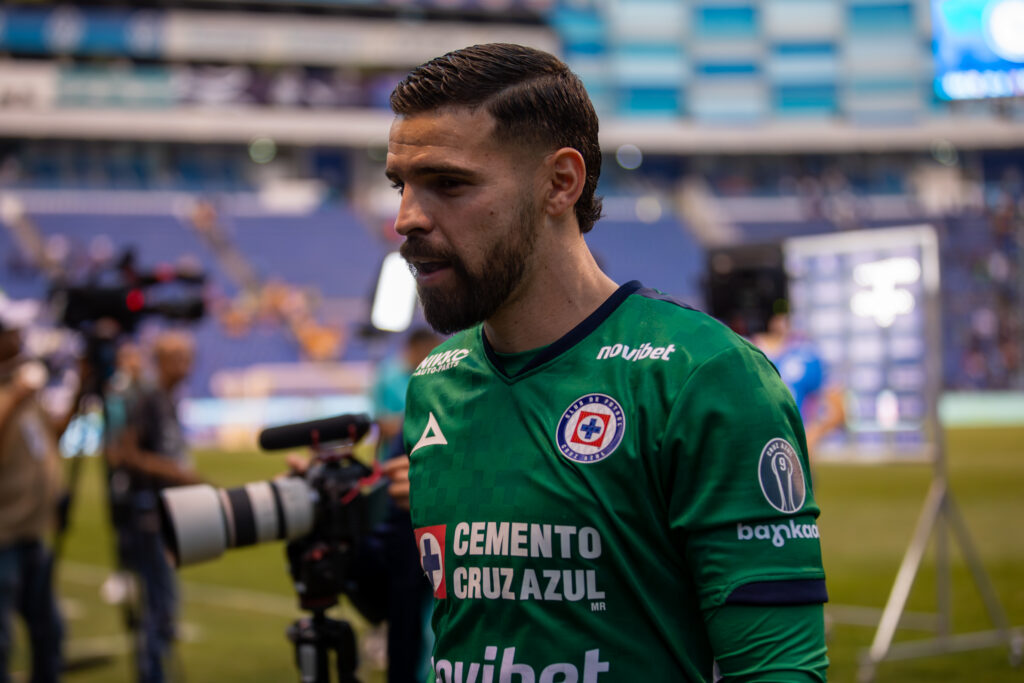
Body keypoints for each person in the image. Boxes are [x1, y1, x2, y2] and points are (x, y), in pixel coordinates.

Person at [379, 43, 828, 681]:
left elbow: (779, 671)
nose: (406, 219)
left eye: (449, 183)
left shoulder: (701, 376)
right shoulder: (435, 383)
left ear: (560, 183)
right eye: (402, 186)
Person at [108, 330, 201, 683]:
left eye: (188, 357)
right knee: (158, 600)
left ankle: (156, 669)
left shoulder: (167, 398)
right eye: (178, 358)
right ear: (160, 360)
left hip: (165, 510)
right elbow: (123, 453)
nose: (186, 366)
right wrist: (177, 473)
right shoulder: (147, 398)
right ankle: (152, 674)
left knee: (164, 599)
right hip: (146, 510)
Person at [0, 308, 74, 683]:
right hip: (3, 539)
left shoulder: (23, 388)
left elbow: (52, 438)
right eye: (11, 333)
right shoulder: (14, 390)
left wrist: (80, 390)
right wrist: (16, 393)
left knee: (50, 634)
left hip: (32, 535)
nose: (20, 340)